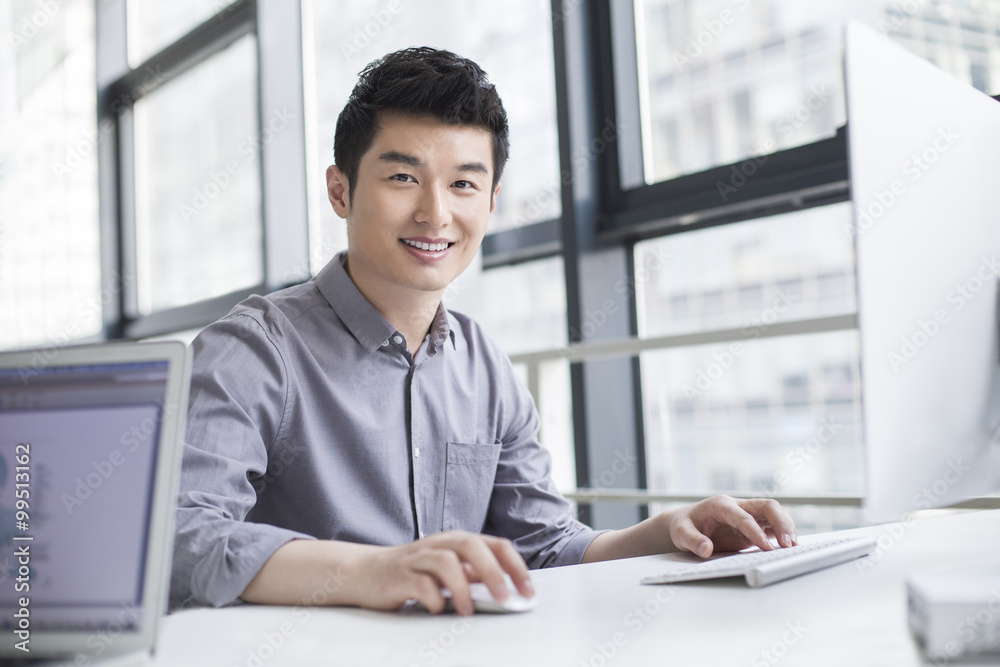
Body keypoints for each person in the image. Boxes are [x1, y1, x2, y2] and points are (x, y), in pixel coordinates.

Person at [169, 46, 798, 616]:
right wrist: (369, 571)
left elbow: (544, 546)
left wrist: (665, 533)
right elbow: (178, 537)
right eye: (402, 177)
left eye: (464, 184)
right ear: (340, 190)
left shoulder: (483, 366)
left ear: (490, 203)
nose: (435, 213)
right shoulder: (253, 350)